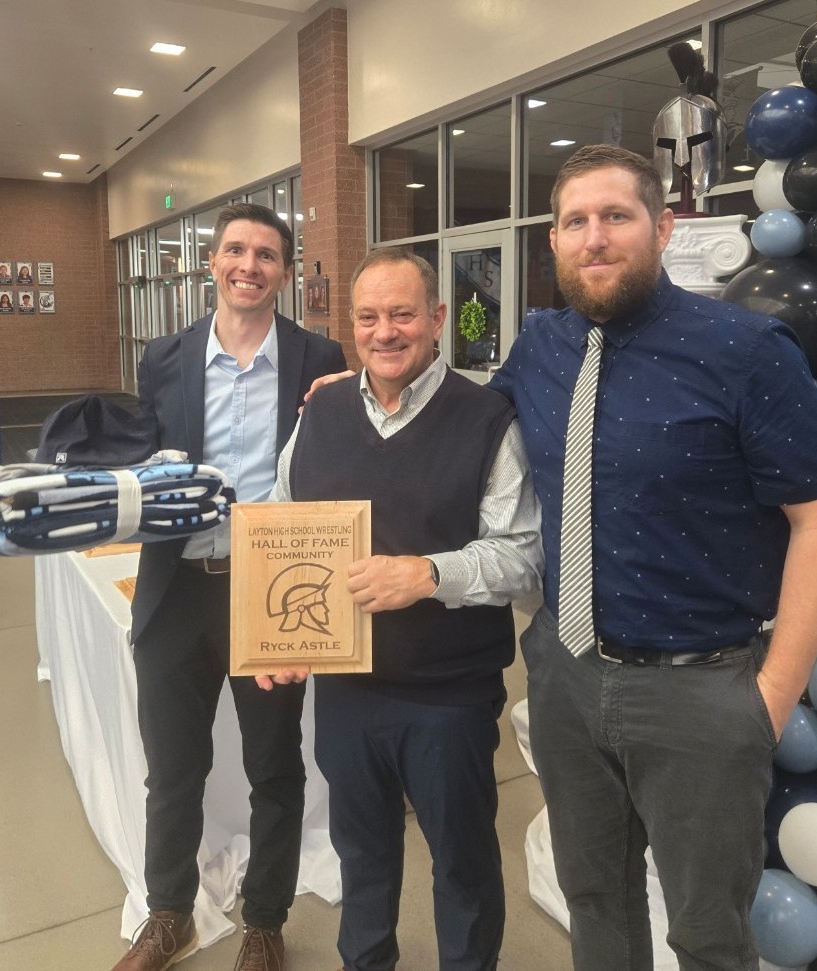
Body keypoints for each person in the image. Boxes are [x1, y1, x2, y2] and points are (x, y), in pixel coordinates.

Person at [487, 144, 817, 971]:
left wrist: (769, 697)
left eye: (615, 216)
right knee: (594, 901)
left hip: (700, 692)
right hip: (565, 676)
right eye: (575, 221)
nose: (594, 237)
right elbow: (459, 427)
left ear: (662, 227)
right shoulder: (538, 345)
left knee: (707, 933)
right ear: (553, 239)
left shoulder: (746, 349)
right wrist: (356, 388)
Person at [266, 247, 543, 971]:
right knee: (360, 855)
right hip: (346, 690)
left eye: (402, 314)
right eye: (368, 317)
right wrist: (276, 638)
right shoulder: (321, 412)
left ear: (438, 317)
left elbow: (521, 556)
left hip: (448, 696)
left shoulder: (487, 420)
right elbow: (281, 521)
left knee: (462, 862)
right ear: (349, 323)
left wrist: (427, 574)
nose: (384, 332)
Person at [112, 203, 346, 971]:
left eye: (267, 254)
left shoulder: (319, 358)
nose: (249, 265)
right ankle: (167, 913)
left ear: (286, 271)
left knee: (274, 765)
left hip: (271, 591)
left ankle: (266, 921)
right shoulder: (164, 357)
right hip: (176, 589)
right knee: (172, 767)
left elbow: (338, 463)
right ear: (211, 261)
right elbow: (146, 462)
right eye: (236, 250)